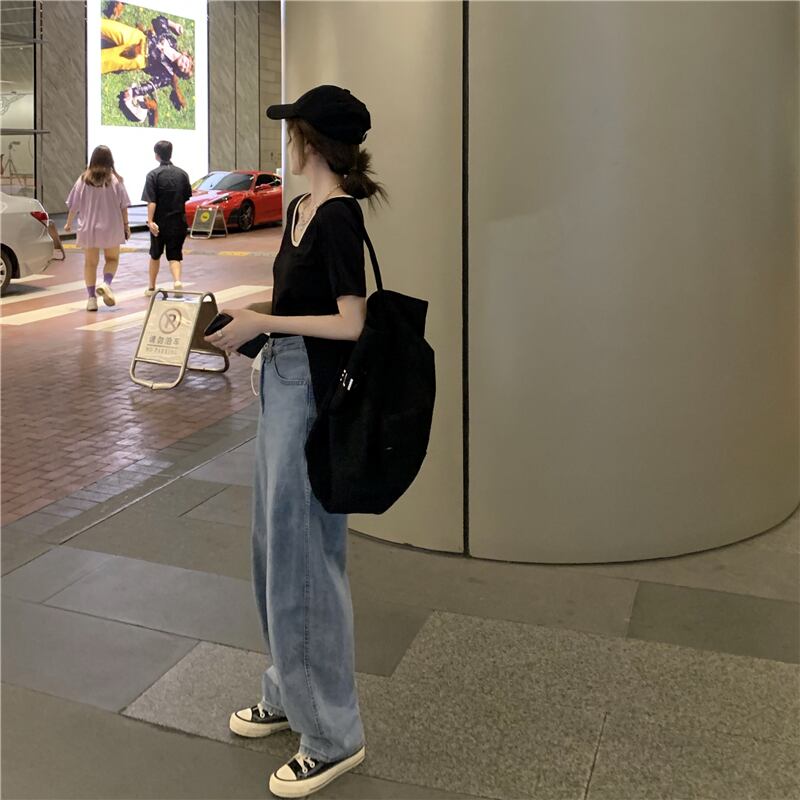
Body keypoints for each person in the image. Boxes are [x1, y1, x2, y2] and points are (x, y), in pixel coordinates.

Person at [204, 85, 386, 798]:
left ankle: (333, 735)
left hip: (311, 394)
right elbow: (294, 304)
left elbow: (351, 321)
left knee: (305, 557)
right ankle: (289, 689)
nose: (287, 140)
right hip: (282, 383)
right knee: (274, 549)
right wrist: (247, 320)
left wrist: (267, 323)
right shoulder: (302, 208)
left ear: (311, 139)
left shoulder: (337, 215)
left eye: (293, 130)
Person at [64, 145, 131, 311]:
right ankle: (106, 284)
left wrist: (68, 223)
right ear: (110, 160)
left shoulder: (83, 180)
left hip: (88, 228)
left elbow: (74, 205)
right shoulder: (115, 180)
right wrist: (126, 226)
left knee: (90, 263)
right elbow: (123, 206)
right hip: (111, 226)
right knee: (112, 259)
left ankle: (91, 299)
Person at [141, 140, 192, 295]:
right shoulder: (182, 174)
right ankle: (177, 281)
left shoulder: (153, 175)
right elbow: (186, 197)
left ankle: (151, 287)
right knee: (175, 255)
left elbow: (152, 201)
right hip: (178, 221)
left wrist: (150, 221)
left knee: (155, 254)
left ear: (156, 155)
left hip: (159, 222)